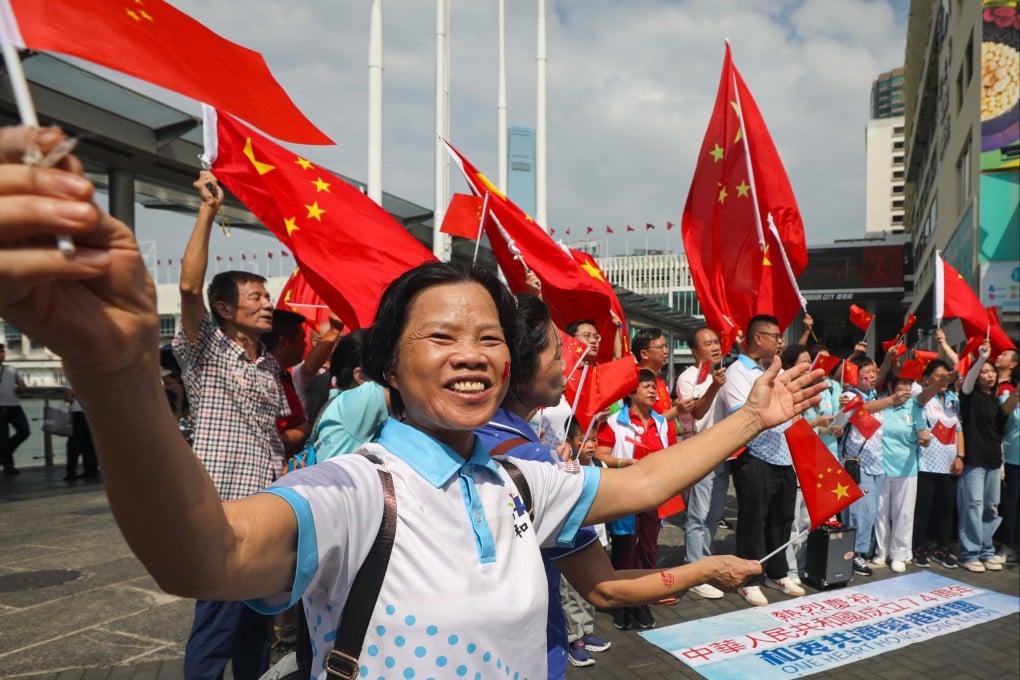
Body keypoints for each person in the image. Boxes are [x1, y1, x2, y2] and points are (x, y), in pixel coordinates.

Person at [0, 125, 825, 680]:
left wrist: (755, 415)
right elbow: (198, 556)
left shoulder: (515, 483)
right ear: (388, 368)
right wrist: (114, 370)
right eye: (441, 337)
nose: (472, 354)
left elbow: (643, 486)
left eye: (490, 338)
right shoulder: (359, 491)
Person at [173, 171, 289, 678]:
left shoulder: (269, 365)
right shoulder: (205, 350)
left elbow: (272, 437)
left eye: (268, 297)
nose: (268, 305)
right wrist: (206, 209)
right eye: (257, 298)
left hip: (266, 510)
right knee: (216, 624)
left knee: (254, 629)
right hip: (221, 511)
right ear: (225, 309)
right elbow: (186, 284)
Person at [719, 315, 805, 607]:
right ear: (758, 338)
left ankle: (777, 572)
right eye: (776, 336)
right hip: (753, 457)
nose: (781, 342)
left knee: (782, 518)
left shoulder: (774, 370)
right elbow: (741, 413)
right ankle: (749, 578)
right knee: (753, 520)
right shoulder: (738, 372)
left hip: (783, 455)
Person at [595, 369, 676, 629]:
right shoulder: (615, 422)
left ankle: (643, 603)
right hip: (625, 494)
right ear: (632, 392)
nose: (653, 391)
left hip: (652, 496)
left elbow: (669, 456)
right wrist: (624, 462)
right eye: (647, 387)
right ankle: (622, 605)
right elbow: (601, 454)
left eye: (654, 387)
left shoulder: (661, 423)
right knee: (625, 549)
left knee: (648, 550)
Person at [675, 325, 729, 599]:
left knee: (714, 514)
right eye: (708, 343)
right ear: (695, 350)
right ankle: (694, 570)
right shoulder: (688, 378)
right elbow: (696, 413)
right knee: (698, 515)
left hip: (724, 451)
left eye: (717, 341)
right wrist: (714, 387)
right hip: (700, 450)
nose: (715, 347)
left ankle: (705, 566)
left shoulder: (725, 373)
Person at [957, 341, 1013, 572]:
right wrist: (981, 358)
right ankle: (969, 554)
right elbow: (967, 383)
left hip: (993, 462)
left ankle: (986, 550)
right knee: (973, 506)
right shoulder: (970, 397)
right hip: (974, 462)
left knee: (991, 508)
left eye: (991, 371)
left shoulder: (994, 400)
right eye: (984, 372)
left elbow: (1001, 428)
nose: (989, 375)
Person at [870, 374, 931, 573]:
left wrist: (924, 438)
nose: (906, 387)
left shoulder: (914, 407)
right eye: (902, 383)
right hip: (880, 467)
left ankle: (899, 554)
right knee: (880, 513)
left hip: (906, 469)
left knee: (903, 514)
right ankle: (881, 551)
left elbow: (922, 431)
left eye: (908, 383)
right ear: (890, 385)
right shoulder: (881, 405)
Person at [911, 359, 963, 569]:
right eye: (938, 376)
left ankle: (942, 547)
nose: (944, 380)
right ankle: (918, 547)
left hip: (948, 463)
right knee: (923, 509)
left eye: (945, 376)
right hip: (926, 463)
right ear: (926, 378)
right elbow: (923, 397)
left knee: (945, 509)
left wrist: (960, 456)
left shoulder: (952, 399)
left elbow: (959, 430)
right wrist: (943, 381)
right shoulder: (920, 395)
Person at [0, 342, 29, 475]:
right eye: (0, 352)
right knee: (3, 437)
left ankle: (3, 455)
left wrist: (22, 386)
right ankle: (8, 465)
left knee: (24, 431)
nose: (2, 355)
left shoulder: (12, 369)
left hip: (14, 405)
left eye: (3, 352)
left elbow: (21, 384)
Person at [63, 386, 98, 480]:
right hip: (93, 412)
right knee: (90, 444)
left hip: (78, 413)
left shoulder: (71, 375)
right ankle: (91, 471)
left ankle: (71, 472)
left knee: (73, 445)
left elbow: (68, 397)